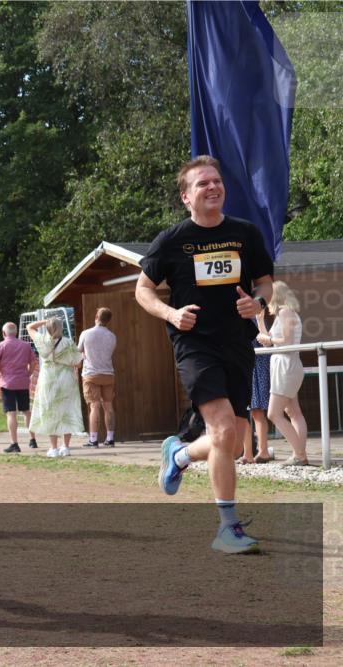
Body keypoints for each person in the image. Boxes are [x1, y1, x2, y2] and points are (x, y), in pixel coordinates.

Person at [135, 155, 273, 554]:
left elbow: (266, 283)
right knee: (224, 431)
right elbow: (142, 291)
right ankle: (227, 528)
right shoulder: (172, 240)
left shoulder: (245, 234)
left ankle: (178, 455)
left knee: (232, 442)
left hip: (237, 344)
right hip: (194, 344)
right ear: (186, 197)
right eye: (202, 184)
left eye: (216, 181)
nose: (212, 187)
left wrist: (259, 305)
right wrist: (171, 313)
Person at [257, 281, 308, 465]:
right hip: (287, 364)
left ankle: (300, 454)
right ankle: (300, 454)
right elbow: (267, 341)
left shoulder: (285, 312)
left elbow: (284, 341)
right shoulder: (285, 313)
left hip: (285, 365)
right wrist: (260, 320)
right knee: (293, 412)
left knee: (273, 414)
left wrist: (269, 339)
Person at [27, 317, 84, 457]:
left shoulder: (42, 340)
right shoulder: (68, 343)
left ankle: (53, 448)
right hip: (66, 380)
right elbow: (78, 363)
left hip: (48, 380)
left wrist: (44, 321)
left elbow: (30, 327)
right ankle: (66, 447)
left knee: (50, 411)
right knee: (67, 411)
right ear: (61, 327)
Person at [0, 322, 38, 452]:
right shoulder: (25, 345)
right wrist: (28, 373)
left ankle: (14, 443)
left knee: (11, 413)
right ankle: (33, 440)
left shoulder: (0, 346)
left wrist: (1, 371)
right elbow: (33, 362)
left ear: (3, 333)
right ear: (16, 333)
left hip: (7, 383)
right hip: (23, 382)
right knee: (26, 411)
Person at [77, 307, 118, 448]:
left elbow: (79, 352)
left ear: (96, 317)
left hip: (91, 374)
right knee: (108, 406)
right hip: (108, 373)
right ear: (108, 320)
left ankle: (93, 439)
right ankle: (110, 438)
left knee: (94, 406)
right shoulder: (112, 336)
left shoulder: (86, 334)